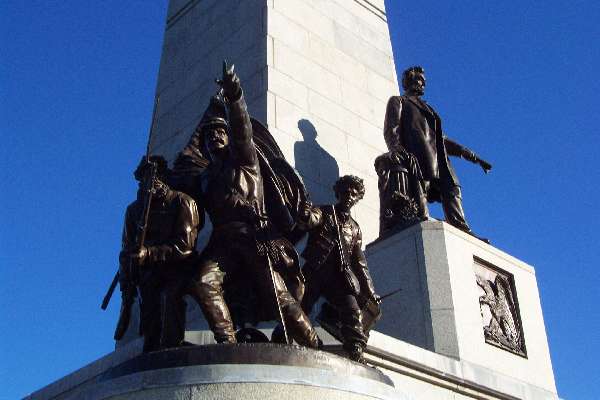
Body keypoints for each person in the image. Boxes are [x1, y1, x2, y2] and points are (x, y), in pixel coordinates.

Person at [179, 62, 319, 347]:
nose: (215, 137)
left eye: (220, 133)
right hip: (222, 241)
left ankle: (312, 342)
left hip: (254, 235)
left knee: (278, 296)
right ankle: (227, 343)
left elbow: (241, 126)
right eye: (209, 135)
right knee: (203, 282)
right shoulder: (205, 178)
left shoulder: (244, 159)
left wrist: (234, 96)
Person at [383, 66, 492, 239]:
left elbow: (441, 139)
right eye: (419, 80)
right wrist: (396, 149)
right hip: (418, 155)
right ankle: (419, 219)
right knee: (420, 194)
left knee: (453, 189)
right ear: (409, 81)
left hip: (439, 160)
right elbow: (392, 128)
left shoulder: (429, 109)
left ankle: (461, 228)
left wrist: (473, 156)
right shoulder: (399, 101)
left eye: (424, 81)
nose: (423, 84)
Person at [115, 155, 201, 352]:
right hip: (148, 273)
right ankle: (151, 348)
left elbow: (185, 246)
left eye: (157, 175)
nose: (153, 180)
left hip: (179, 265)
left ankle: (172, 344)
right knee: (149, 309)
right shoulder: (133, 211)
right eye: (146, 176)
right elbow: (127, 249)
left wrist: (149, 253)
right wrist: (126, 286)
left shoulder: (182, 202)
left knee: (170, 297)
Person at [298, 175, 379, 362]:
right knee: (300, 307)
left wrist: (370, 291)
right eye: (346, 192)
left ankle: (356, 351)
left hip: (339, 278)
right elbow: (311, 219)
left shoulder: (355, 229)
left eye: (354, 194)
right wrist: (306, 214)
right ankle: (283, 336)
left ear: (358, 198)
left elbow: (360, 263)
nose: (349, 196)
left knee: (352, 311)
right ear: (338, 193)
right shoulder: (324, 211)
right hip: (316, 271)